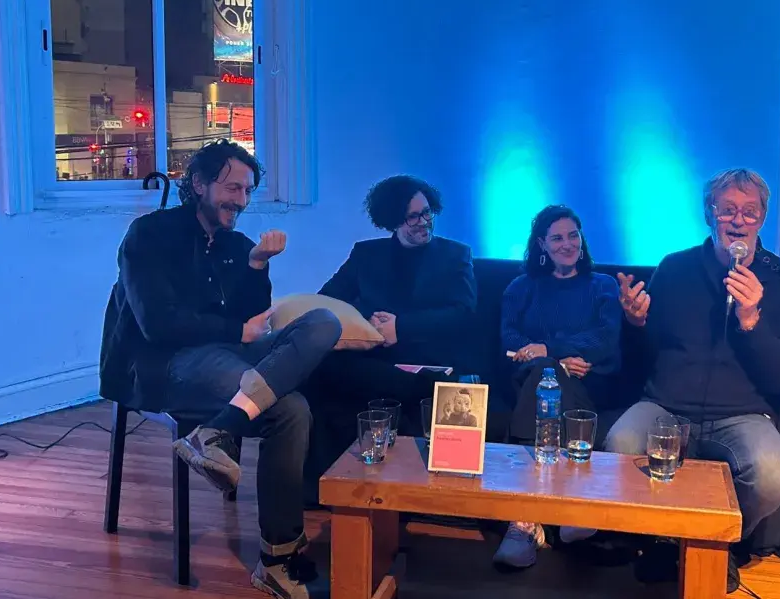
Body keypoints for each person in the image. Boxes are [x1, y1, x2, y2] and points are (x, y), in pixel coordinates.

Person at [98, 140, 343, 599]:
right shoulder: (149, 234)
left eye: (248, 190)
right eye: (232, 188)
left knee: (323, 322)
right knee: (289, 409)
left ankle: (219, 430)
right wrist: (236, 330)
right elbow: (157, 324)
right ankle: (278, 558)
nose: (241, 200)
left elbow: (252, 316)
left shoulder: (237, 245)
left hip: (223, 357)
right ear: (199, 184)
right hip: (161, 364)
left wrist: (257, 266)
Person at [604, 168, 780, 592]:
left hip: (742, 413)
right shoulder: (675, 269)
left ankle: (719, 544)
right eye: (727, 210)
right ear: (708, 214)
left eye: (750, 212)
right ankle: (661, 540)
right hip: (666, 405)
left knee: (772, 476)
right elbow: (643, 356)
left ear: (762, 218)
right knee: (619, 446)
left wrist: (751, 321)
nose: (738, 221)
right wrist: (635, 323)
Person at [302, 175, 478, 496]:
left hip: (429, 358)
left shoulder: (455, 255)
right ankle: (318, 489)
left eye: (427, 212)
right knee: (320, 364)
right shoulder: (366, 255)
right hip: (376, 359)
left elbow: (463, 314)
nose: (424, 222)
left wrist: (400, 327)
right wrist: (367, 323)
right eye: (413, 217)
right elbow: (327, 301)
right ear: (393, 220)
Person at [492, 205, 621, 569]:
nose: (567, 244)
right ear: (542, 245)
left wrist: (550, 349)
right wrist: (557, 360)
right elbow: (510, 339)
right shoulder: (521, 287)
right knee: (544, 372)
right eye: (557, 238)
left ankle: (523, 523)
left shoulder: (603, 285)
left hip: (589, 381)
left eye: (573, 235)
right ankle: (570, 508)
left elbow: (605, 339)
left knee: (547, 369)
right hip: (529, 378)